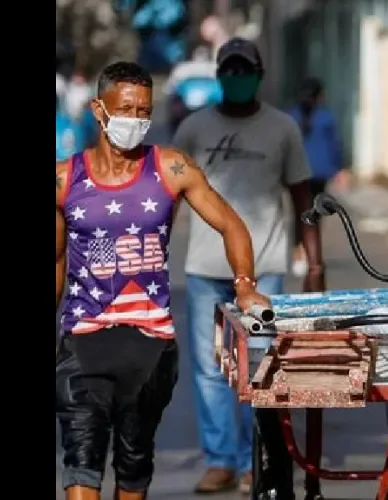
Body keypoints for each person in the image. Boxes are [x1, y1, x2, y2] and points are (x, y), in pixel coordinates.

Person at [55, 61, 271, 500]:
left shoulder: (170, 169)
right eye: (126, 109)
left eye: (144, 111)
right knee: (82, 460)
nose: (135, 120)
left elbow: (232, 225)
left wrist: (244, 283)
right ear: (99, 108)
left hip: (150, 345)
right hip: (82, 339)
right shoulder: (64, 179)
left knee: (134, 466)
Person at [172, 37, 325, 495]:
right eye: (230, 70)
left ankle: (256, 459)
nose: (237, 78)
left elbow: (302, 195)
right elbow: (172, 195)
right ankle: (221, 459)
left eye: (245, 70)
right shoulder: (194, 129)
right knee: (209, 367)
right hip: (204, 267)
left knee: (261, 367)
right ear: (219, 75)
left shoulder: (281, 128)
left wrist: (313, 260)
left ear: (259, 75)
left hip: (265, 270)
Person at [286, 77, 346, 276]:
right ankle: (313, 255)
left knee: (299, 213)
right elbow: (335, 145)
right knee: (316, 214)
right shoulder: (326, 117)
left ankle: (299, 253)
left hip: (297, 172)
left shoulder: (291, 116)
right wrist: (340, 168)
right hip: (320, 171)